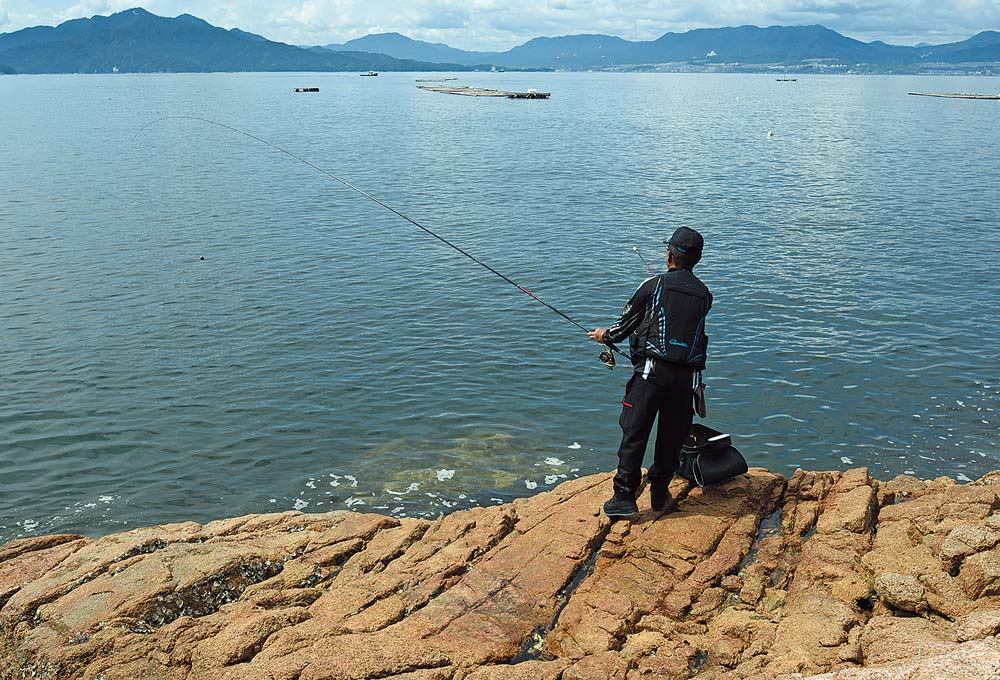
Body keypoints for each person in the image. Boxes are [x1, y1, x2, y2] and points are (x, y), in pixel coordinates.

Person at [588, 227, 712, 519]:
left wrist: (604, 335)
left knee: (635, 433)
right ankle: (659, 493)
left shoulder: (652, 285)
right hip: (686, 380)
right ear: (697, 259)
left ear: (669, 254)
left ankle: (623, 498)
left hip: (650, 374)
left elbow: (622, 327)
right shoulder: (705, 296)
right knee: (671, 437)